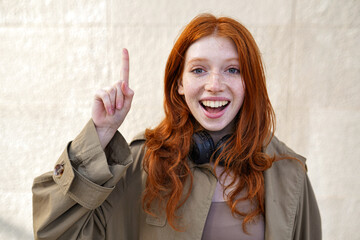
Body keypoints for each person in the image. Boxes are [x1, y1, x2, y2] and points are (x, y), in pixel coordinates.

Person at [32, 13, 321, 240]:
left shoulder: (288, 173)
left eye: (232, 70)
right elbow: (56, 233)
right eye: (198, 70)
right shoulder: (142, 164)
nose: (214, 85)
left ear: (249, 83)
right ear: (180, 83)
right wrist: (100, 135)